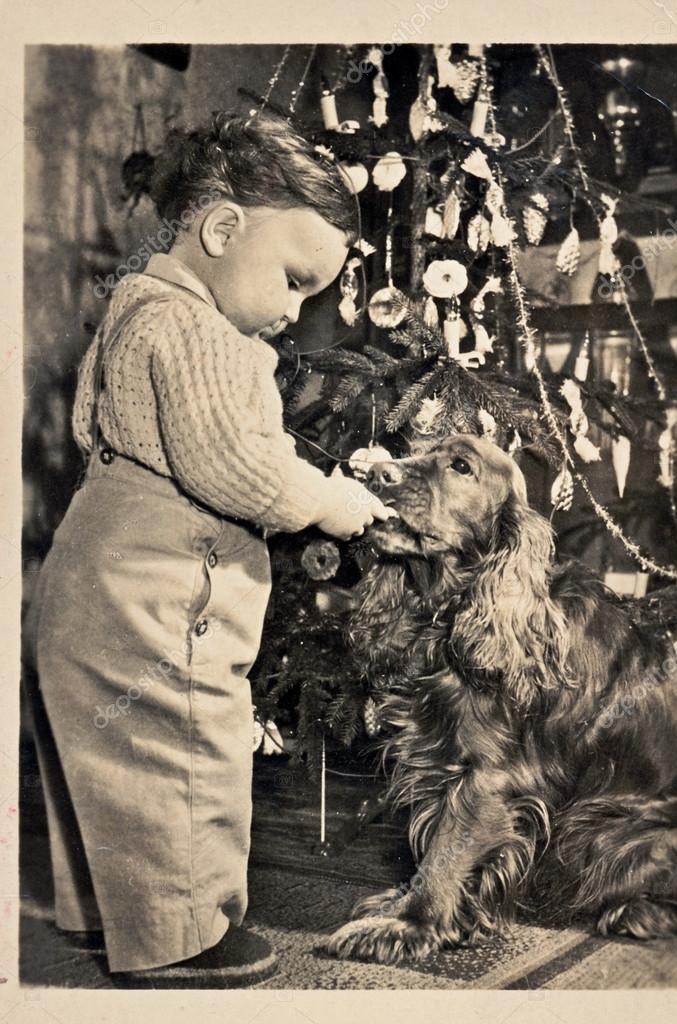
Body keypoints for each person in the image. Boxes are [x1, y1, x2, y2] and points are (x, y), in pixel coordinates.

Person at [21, 109, 396, 987]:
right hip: (165, 582)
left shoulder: (129, 309)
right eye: (297, 281)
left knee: (100, 752)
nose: (297, 310)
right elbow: (240, 473)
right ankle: (182, 935)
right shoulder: (205, 337)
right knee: (182, 744)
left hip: (86, 570)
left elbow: (92, 427)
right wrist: (334, 501)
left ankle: (105, 917)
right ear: (223, 229)